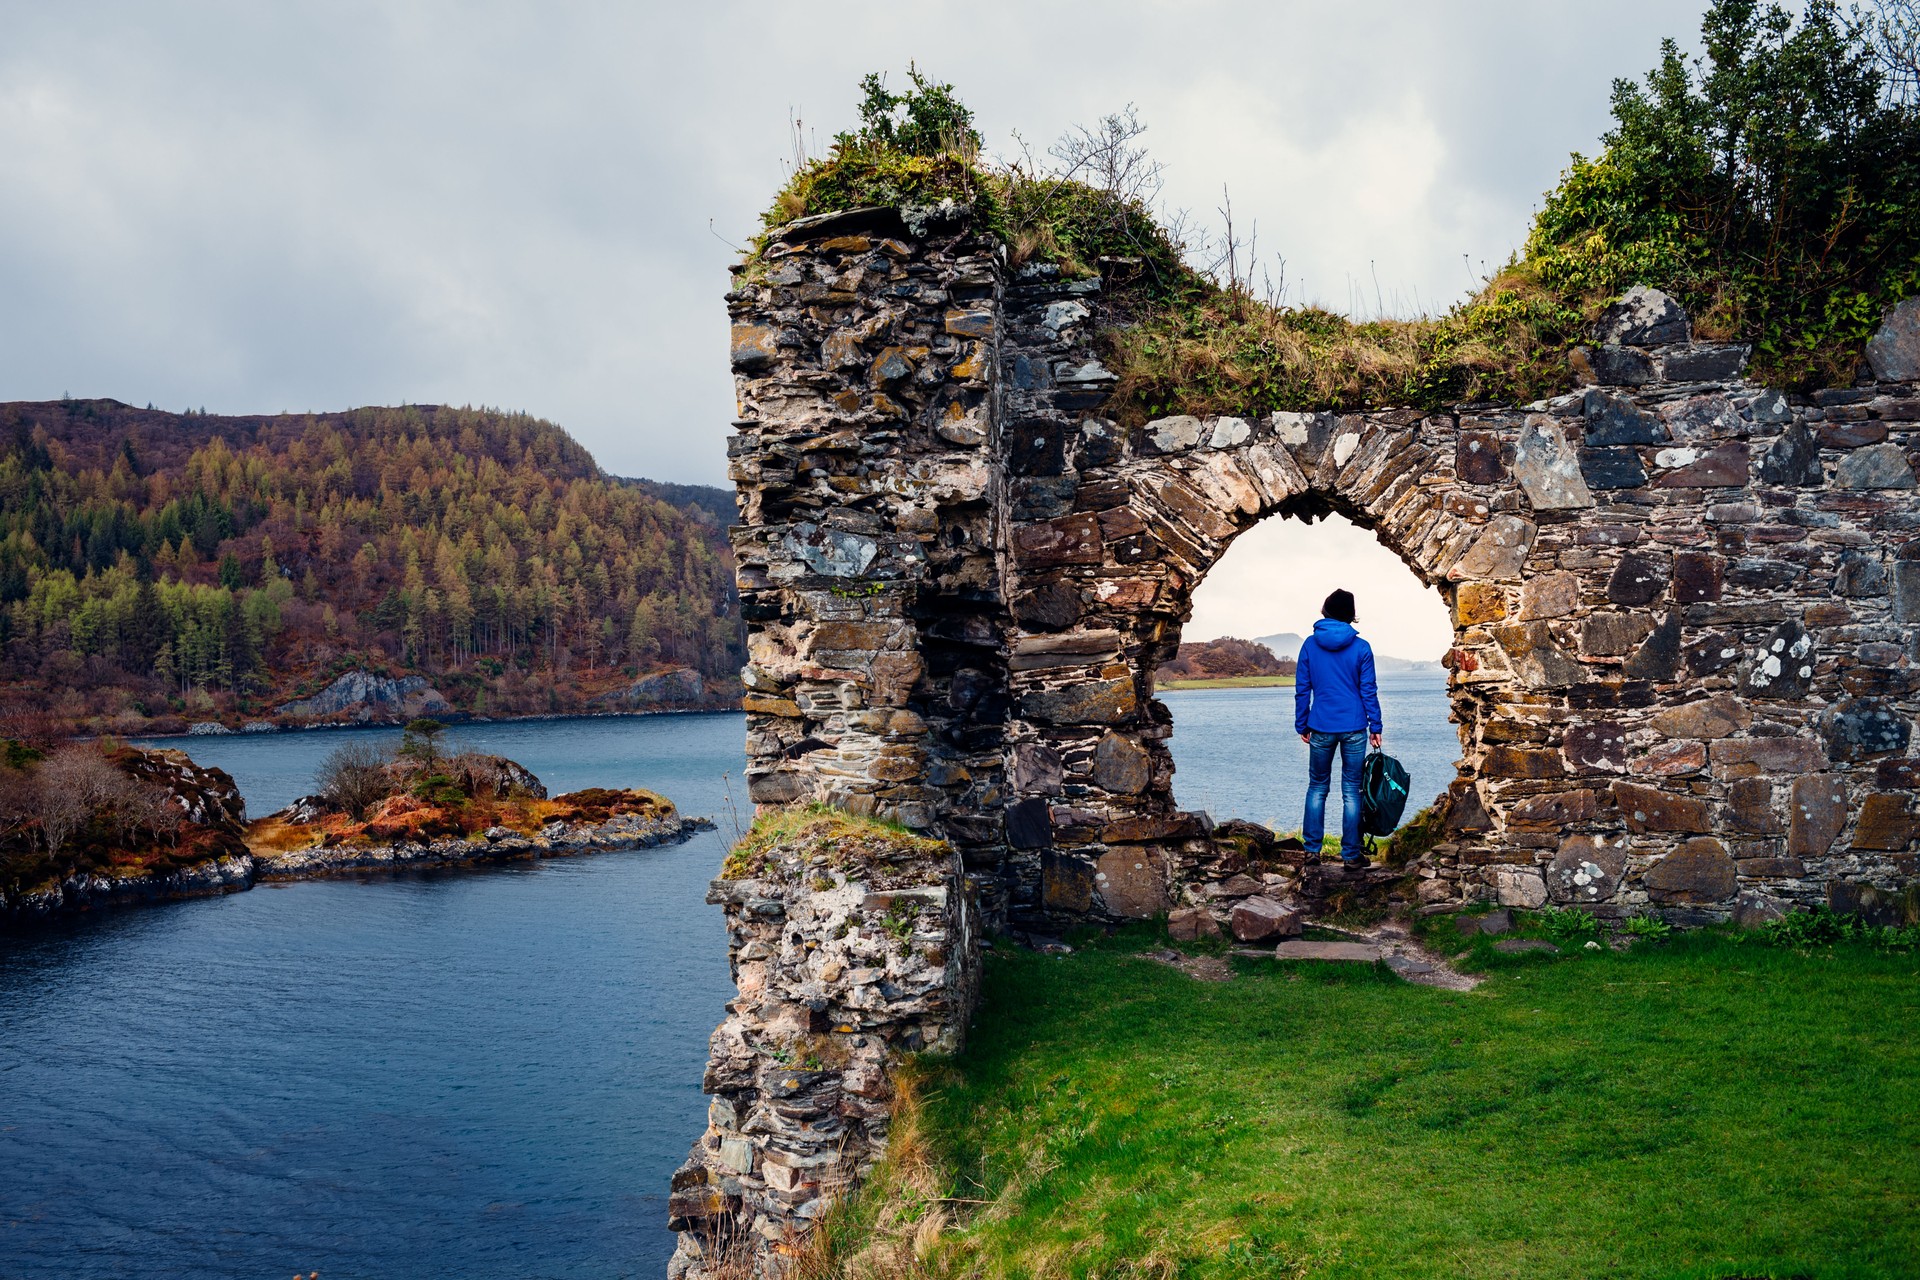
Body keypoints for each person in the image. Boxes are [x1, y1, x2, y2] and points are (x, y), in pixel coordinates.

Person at [1294, 589, 1383, 868]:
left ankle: (1311, 852)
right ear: (1350, 615)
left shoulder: (1310, 645)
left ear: (1326, 610)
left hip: (1320, 725)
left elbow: (1302, 689)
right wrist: (1375, 725)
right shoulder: (1361, 647)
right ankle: (1351, 855)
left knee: (1317, 787)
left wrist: (1302, 722)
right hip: (1355, 727)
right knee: (1352, 790)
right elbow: (1368, 690)